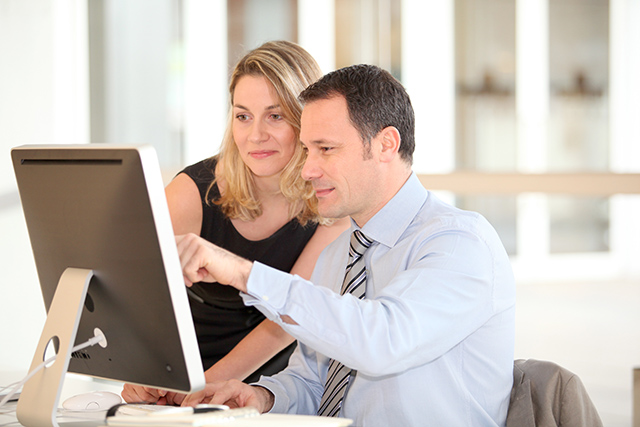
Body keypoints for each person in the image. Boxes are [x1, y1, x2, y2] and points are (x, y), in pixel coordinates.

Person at [175, 64, 516, 426]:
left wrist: (244, 274)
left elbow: (380, 340)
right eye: (307, 150)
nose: (308, 170)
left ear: (386, 144)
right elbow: (312, 381)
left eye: (326, 149)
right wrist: (262, 396)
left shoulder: (459, 244)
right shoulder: (339, 254)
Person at [121, 41, 349, 404]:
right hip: (177, 377)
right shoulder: (190, 192)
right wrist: (143, 372)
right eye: (243, 116)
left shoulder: (331, 203)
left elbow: (286, 322)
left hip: (272, 392)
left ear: (305, 119)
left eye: (275, 116)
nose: (255, 135)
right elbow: (135, 297)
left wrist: (204, 389)